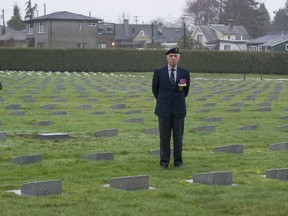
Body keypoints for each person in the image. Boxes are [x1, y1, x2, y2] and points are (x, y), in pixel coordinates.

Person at [152, 47, 190, 169]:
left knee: (178, 137)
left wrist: (176, 100)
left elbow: (185, 90)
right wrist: (164, 101)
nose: (173, 58)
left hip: (178, 110)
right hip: (164, 109)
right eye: (170, 56)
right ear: (167, 58)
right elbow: (155, 90)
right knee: (164, 137)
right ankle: (164, 162)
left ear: (179, 58)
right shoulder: (159, 72)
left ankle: (178, 162)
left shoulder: (184, 72)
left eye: (175, 56)